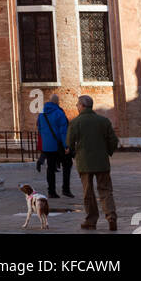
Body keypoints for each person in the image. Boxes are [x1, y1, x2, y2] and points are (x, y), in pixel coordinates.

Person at [66, 94, 118, 231]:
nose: (76, 107)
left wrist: (72, 151)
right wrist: (107, 151)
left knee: (88, 193)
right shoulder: (104, 121)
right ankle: (111, 216)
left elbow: (69, 142)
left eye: (77, 105)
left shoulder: (75, 122)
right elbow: (113, 141)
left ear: (82, 106)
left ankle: (91, 220)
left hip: (84, 163)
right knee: (106, 190)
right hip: (102, 162)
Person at [37, 94, 73, 198]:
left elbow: (39, 129)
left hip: (47, 146)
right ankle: (66, 189)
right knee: (67, 165)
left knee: (50, 168)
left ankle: (51, 191)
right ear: (57, 102)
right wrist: (66, 145)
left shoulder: (41, 114)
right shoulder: (59, 113)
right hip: (59, 145)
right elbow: (63, 131)